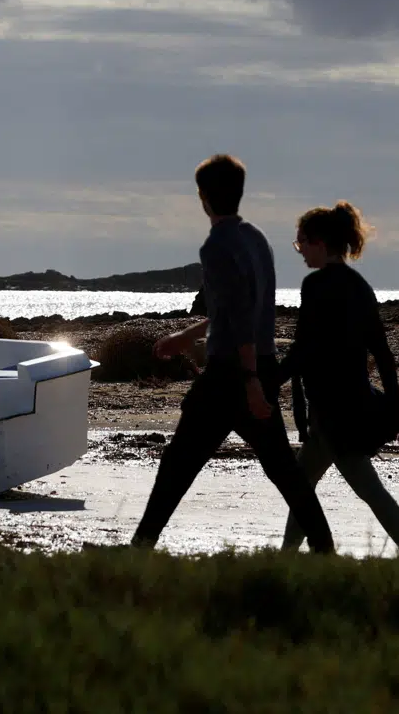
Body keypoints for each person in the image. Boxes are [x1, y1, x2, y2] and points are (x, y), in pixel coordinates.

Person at [130, 154, 335, 553]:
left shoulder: (216, 246)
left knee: (179, 463)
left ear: (203, 197)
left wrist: (250, 380)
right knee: (282, 470)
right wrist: (185, 337)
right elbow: (235, 308)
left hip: (232, 374)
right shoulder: (257, 239)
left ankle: (140, 548)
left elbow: (240, 315)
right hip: (255, 365)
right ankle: (326, 550)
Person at [279, 202, 399, 557]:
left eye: (301, 244)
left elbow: (302, 351)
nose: (300, 253)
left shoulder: (315, 286)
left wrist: (265, 380)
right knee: (304, 483)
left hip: (332, 411)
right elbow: (383, 354)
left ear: (320, 243)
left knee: (364, 488)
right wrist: (395, 407)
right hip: (355, 404)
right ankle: (285, 558)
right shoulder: (360, 287)